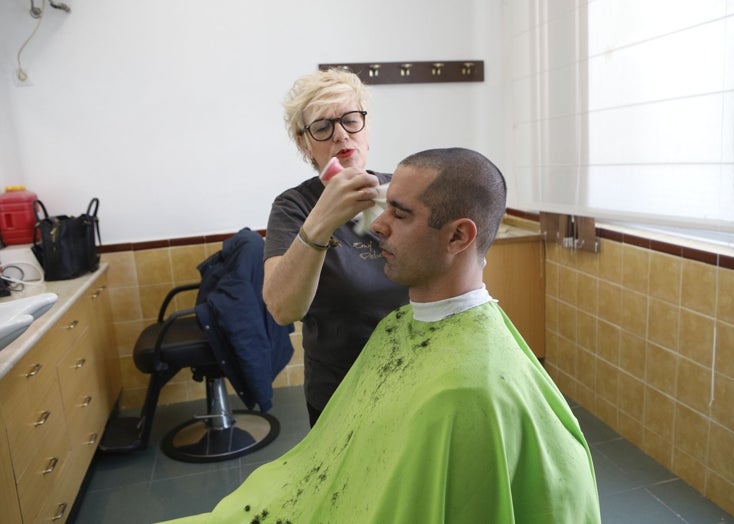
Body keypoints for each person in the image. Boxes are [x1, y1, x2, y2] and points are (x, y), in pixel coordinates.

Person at [160, 148, 601, 523]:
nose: (376, 225)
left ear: (458, 237)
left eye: (400, 213)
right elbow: (280, 305)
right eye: (385, 207)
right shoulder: (398, 326)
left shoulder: (468, 392)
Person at [263, 68, 408, 426]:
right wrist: (321, 221)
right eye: (323, 127)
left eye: (350, 119)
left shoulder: (404, 192)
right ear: (304, 143)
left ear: (366, 127)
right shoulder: (293, 207)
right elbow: (282, 309)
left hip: (414, 382)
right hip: (340, 393)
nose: (341, 134)